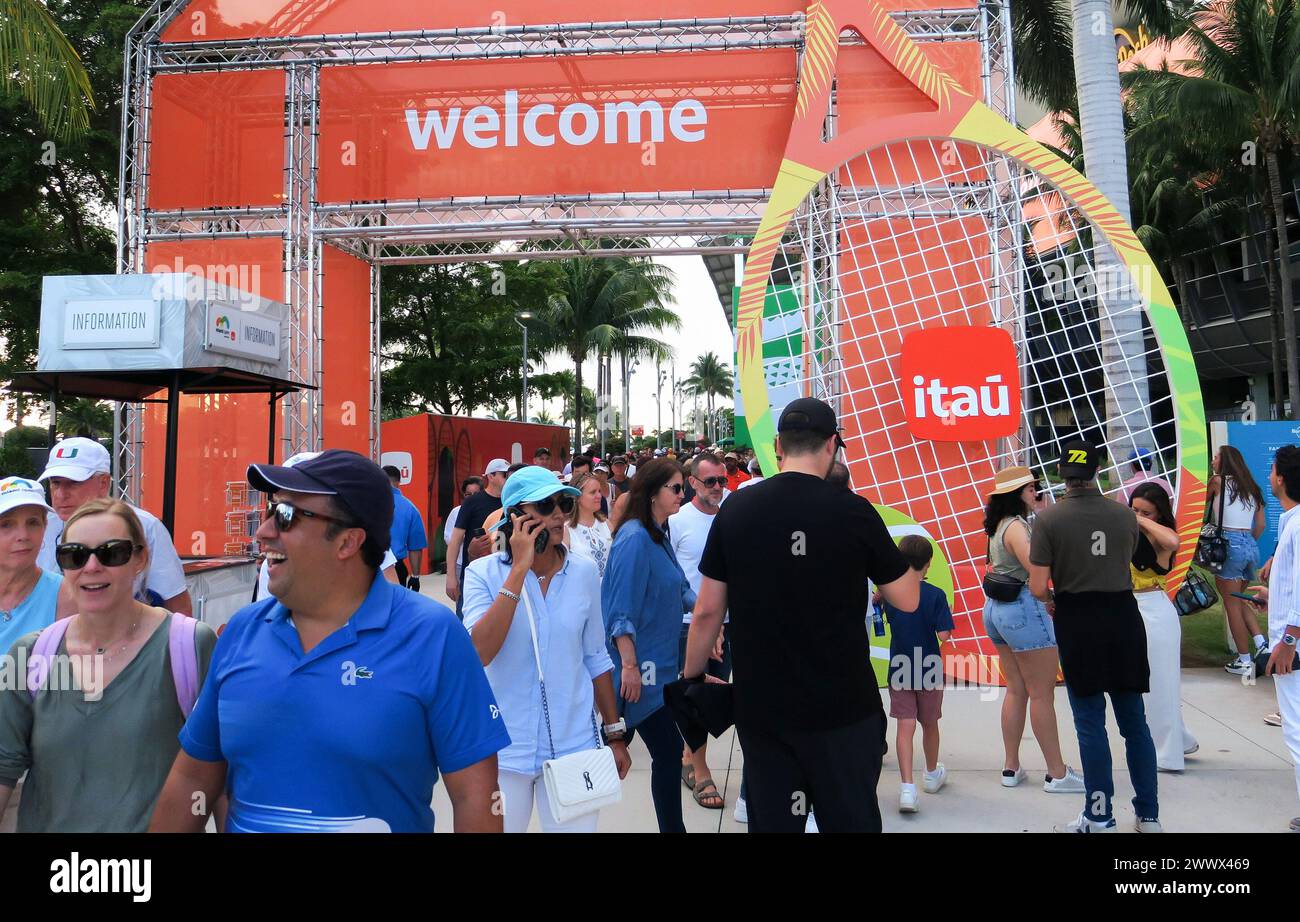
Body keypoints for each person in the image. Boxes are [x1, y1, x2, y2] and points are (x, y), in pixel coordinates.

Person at [149, 450, 510, 832]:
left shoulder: (432, 636)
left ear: (348, 542)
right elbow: (193, 780)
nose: (263, 531)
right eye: (270, 513)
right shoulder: (241, 631)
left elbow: (476, 797)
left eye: (285, 516)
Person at [685, 397, 920, 833]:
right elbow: (907, 598)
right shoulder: (854, 512)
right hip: (844, 711)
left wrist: (693, 677)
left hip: (765, 712)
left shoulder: (737, 510)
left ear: (778, 445)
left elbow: (707, 612)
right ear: (833, 445)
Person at [0, 499, 217, 831]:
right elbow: (3, 769)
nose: (90, 567)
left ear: (141, 558)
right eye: (74, 555)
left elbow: (219, 774)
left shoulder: (188, 645)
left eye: (111, 552)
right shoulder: (29, 655)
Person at [462, 467, 630, 832]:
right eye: (545, 504)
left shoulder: (584, 573)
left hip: (575, 746)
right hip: (504, 751)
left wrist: (615, 734)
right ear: (514, 517)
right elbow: (479, 652)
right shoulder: (482, 574)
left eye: (563, 502)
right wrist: (518, 570)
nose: (558, 513)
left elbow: (595, 657)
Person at [1028, 441, 1160, 833]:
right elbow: (1131, 560)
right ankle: (1149, 814)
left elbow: (1037, 586)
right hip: (1122, 616)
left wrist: (1054, 599)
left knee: (1090, 723)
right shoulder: (1125, 516)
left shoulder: (1049, 520)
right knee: (1134, 722)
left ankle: (1100, 814)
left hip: (1078, 618)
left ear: (1062, 475)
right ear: (1097, 473)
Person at [603, 458, 695, 834]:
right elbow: (620, 611)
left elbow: (682, 590)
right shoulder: (634, 538)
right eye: (675, 488)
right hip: (640, 673)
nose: (682, 494)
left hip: (659, 668)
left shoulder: (658, 533)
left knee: (647, 753)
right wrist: (629, 665)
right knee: (667, 753)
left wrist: (715, 615)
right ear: (653, 493)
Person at [981, 466, 1083, 793]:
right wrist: (1051, 596)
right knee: (1041, 693)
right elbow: (1035, 569)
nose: (1035, 492)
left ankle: (1011, 766)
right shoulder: (1017, 528)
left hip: (997, 610)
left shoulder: (998, 527)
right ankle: (1056, 772)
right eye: (1031, 488)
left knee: (1016, 689)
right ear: (1018, 493)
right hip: (1024, 608)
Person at [37, 437, 193, 615]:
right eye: (55, 483)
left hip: (129, 637)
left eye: (73, 483)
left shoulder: (145, 526)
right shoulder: (41, 526)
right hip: (57, 639)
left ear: (104, 483)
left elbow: (177, 604)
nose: (60, 494)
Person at [669, 452, 731, 812]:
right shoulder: (678, 523)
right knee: (695, 695)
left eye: (723, 480)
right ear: (692, 482)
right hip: (690, 625)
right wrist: (702, 616)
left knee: (716, 698)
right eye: (710, 481)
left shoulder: (731, 519)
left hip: (729, 624)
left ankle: (688, 755)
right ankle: (700, 768)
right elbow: (673, 576)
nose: (718, 488)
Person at [253, 452, 399, 602]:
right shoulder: (272, 568)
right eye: (272, 508)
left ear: (348, 541)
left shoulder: (414, 622)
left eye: (287, 513)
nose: (262, 532)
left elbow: (392, 601)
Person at [1247, 445, 1300, 831]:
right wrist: (1271, 597)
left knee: (1296, 727)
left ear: (1280, 477)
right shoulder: (1290, 520)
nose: (1269, 477)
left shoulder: (1297, 523)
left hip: (1292, 644)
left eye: (1272, 471)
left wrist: (1289, 640)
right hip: (1289, 635)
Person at [1129, 483, 1198, 771]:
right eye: (1134, 509)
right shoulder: (1127, 533)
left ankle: (1168, 753)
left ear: (1159, 514)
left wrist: (1140, 521)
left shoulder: (1159, 536)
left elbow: (1173, 542)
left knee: (1161, 683)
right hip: (1131, 609)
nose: (1138, 515)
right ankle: (1179, 740)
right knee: (1149, 684)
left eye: (1147, 512)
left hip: (1155, 610)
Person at [884, 536, 954, 813]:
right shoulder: (936, 595)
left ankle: (907, 789)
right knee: (930, 723)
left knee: (905, 725)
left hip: (900, 666)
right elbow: (944, 634)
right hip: (928, 667)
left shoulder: (890, 593)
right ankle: (931, 773)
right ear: (927, 564)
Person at [1208, 445, 1267, 676]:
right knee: (1240, 600)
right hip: (1250, 545)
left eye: (1216, 457)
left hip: (1228, 544)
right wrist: (1246, 542)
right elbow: (1260, 524)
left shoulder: (1217, 482)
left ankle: (1244, 660)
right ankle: (1262, 643)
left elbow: (1201, 504)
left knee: (1231, 604)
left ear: (1225, 461)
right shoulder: (1252, 487)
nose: (1213, 461)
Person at [0, 477, 66, 653]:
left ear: (45, 526)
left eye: (33, 522)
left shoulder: (67, 596)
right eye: (6, 524)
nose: (23, 535)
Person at [445, 458, 510, 618]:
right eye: (504, 475)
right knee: (468, 626)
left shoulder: (511, 502)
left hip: (504, 576)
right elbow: (455, 541)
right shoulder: (472, 502)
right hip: (473, 575)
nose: (508, 478)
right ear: (491, 476)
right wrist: (451, 577)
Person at [384, 465, 428, 590]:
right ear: (399, 481)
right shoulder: (410, 508)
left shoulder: (367, 502)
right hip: (397, 569)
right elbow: (415, 547)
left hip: (369, 567)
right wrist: (415, 576)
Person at [566, 473, 612, 579]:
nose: (599, 496)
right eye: (593, 492)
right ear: (577, 497)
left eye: (599, 491)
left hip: (608, 591)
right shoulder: (566, 530)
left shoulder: (607, 524)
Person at [443, 476, 483, 547]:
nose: (472, 497)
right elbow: (448, 539)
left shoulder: (487, 510)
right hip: (461, 556)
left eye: (476, 494)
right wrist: (461, 535)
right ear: (464, 495)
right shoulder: (456, 512)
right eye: (468, 494)